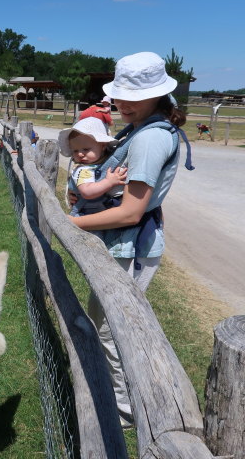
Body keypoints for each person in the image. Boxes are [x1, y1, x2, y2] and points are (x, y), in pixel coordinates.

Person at [68, 51, 194, 428]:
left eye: (130, 96)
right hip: (121, 243)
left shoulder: (150, 139)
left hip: (129, 247)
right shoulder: (142, 129)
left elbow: (130, 212)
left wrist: (67, 223)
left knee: (112, 329)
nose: (120, 102)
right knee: (105, 321)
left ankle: (125, 412)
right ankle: (119, 396)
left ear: (156, 95)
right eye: (119, 95)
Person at [58, 117, 126, 219]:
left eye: (86, 149)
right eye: (75, 151)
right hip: (87, 215)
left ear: (103, 146)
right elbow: (87, 192)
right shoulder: (83, 170)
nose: (80, 154)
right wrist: (109, 182)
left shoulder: (101, 161)